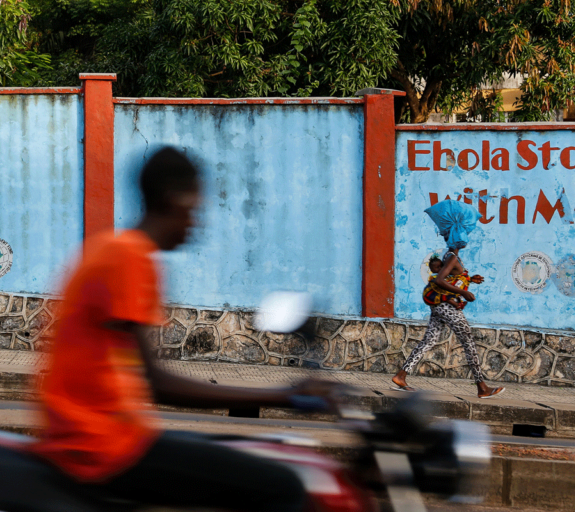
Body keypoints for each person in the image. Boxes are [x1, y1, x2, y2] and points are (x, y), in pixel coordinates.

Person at [32, 147, 330, 512]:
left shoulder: (111, 248)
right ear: (174, 200)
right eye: (195, 209)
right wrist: (283, 396)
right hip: (102, 446)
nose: (197, 223)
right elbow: (160, 384)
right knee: (282, 486)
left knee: (233, 452)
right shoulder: (130, 257)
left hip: (102, 434)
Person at [392, 201, 504, 399]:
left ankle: (401, 376)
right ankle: (482, 387)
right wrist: (464, 294)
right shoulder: (451, 256)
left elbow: (452, 278)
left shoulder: (452, 257)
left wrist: (470, 280)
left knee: (429, 340)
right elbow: (441, 280)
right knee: (468, 342)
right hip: (447, 306)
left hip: (440, 307)